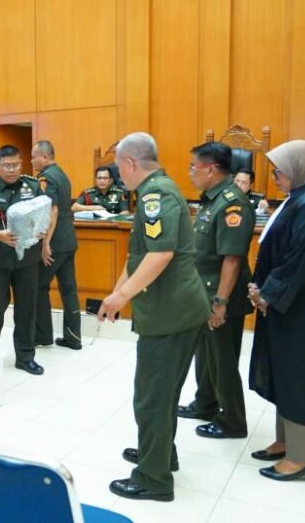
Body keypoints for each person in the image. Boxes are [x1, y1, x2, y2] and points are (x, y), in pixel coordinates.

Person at [98, 132, 210, 502]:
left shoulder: (154, 195)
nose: (117, 174)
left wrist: (122, 296)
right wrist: (118, 293)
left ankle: (154, 478)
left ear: (130, 163)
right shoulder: (160, 188)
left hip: (171, 315)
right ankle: (160, 455)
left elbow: (159, 255)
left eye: (118, 167)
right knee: (162, 394)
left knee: (151, 398)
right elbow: (139, 255)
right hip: (176, 311)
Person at [247, 140, 305, 483]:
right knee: (283, 371)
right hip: (290, 307)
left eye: (279, 170)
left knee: (298, 376)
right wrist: (264, 292)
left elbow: (297, 264)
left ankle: (301, 458)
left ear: (300, 169)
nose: (274, 177)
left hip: (303, 313)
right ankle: (285, 442)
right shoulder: (298, 201)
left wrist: (268, 294)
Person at [176, 142, 255, 439]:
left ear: (210, 170)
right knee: (205, 355)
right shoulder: (212, 199)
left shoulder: (231, 203)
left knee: (222, 360)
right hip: (203, 292)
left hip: (221, 295)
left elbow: (232, 259)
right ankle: (206, 403)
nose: (190, 172)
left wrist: (220, 302)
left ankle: (233, 421)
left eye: (193, 166)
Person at [0, 145, 45, 375]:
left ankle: (25, 357)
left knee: (27, 308)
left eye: (16, 165)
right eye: (7, 166)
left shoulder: (33, 186)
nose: (12, 170)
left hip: (27, 259)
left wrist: (42, 229)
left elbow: (46, 210)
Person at [32, 140, 82, 350]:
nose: (32, 160)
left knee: (38, 286)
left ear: (44, 156)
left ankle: (43, 336)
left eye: (34, 156)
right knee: (69, 289)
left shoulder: (46, 177)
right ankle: (73, 337)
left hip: (56, 242)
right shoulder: (61, 173)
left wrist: (46, 244)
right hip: (68, 239)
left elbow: (51, 210)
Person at [231, 148, 269, 215]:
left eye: (244, 183)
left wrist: (265, 210)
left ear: (250, 185)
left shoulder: (257, 200)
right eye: (237, 181)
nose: (239, 185)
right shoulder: (221, 196)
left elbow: (264, 214)